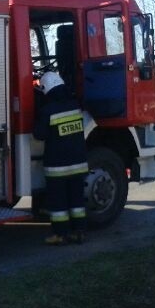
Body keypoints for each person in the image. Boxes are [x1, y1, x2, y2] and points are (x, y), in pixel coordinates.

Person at [33, 71, 88, 245]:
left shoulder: (48, 110)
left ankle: (60, 235)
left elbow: (39, 135)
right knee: (77, 202)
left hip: (58, 167)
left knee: (58, 204)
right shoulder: (75, 106)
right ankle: (79, 232)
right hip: (78, 164)